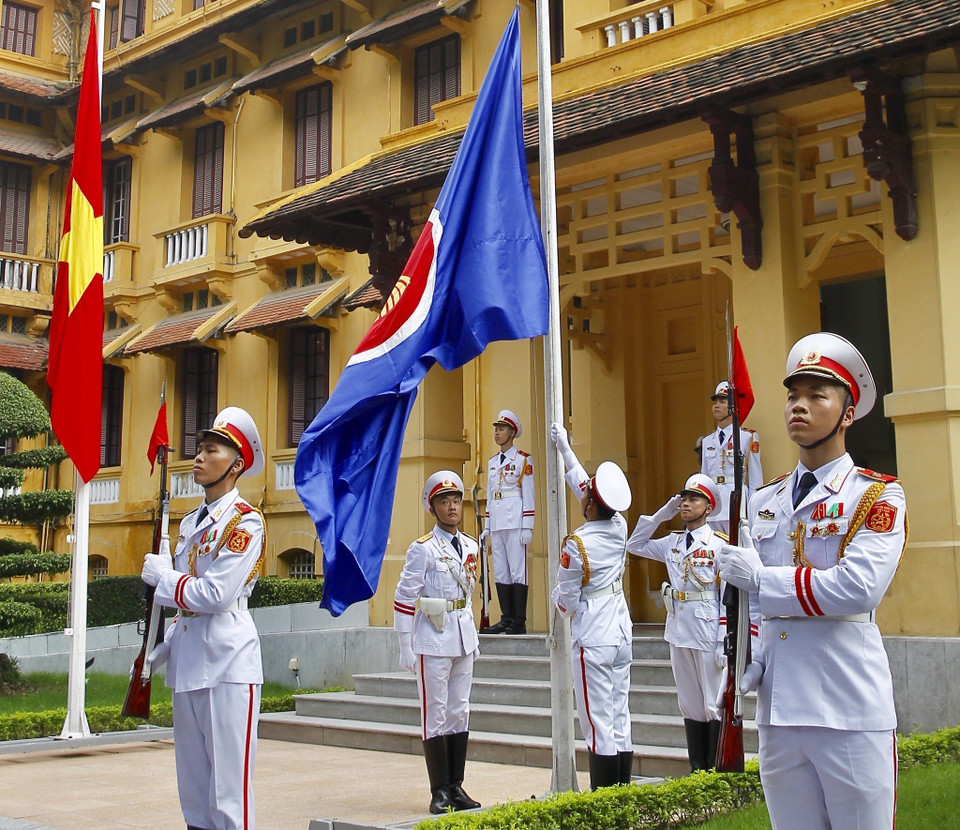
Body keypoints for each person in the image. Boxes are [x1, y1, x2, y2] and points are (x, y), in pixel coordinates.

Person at [718, 332, 907, 830]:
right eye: (792, 396)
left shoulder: (876, 497)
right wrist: (747, 660)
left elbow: (857, 588)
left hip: (847, 707)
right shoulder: (764, 501)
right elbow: (752, 607)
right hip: (780, 710)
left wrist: (763, 580)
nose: (798, 407)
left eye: (816, 395)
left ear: (846, 414)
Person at [140, 407, 266, 830]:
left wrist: (165, 578)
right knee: (194, 794)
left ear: (236, 465)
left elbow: (215, 594)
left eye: (211, 450)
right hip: (189, 661)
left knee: (229, 797)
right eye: (199, 449)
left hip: (229, 663)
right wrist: (163, 646)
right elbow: (186, 607)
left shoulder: (246, 521)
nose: (198, 457)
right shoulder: (192, 521)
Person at [627, 473, 734, 772]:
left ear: (709, 507)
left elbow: (727, 596)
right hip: (678, 629)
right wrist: (664, 512)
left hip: (707, 629)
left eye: (694, 499)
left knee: (712, 702)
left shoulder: (719, 545)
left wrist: (722, 640)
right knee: (688, 700)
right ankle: (697, 768)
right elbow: (634, 544)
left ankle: (717, 770)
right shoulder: (671, 542)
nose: (686, 504)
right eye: (684, 498)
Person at [550, 423, 634, 789]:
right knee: (619, 717)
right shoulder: (619, 525)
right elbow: (586, 488)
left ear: (589, 505)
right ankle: (622, 795)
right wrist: (566, 449)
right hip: (619, 629)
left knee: (597, 723)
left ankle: (604, 801)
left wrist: (561, 607)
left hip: (593, 634)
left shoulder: (577, 544)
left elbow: (566, 600)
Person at [394, 471, 482, 814]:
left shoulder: (472, 546)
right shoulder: (423, 550)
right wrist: (405, 643)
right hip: (432, 638)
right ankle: (439, 791)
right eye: (444, 501)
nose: (452, 507)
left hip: (462, 636)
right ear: (433, 507)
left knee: (460, 712)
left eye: (456, 500)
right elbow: (404, 597)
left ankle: (456, 786)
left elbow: (470, 594)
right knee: (436, 714)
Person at [480, 409, 535, 634]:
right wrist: (487, 526)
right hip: (498, 522)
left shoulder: (522, 459)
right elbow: (492, 495)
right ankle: (506, 617)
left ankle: (519, 620)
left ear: (512, 433)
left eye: (501, 429)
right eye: (495, 429)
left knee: (517, 570)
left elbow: (528, 493)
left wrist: (527, 526)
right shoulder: (493, 462)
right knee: (501, 570)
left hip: (515, 521)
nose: (497, 433)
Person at [700, 382, 762, 534]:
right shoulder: (707, 441)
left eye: (722, 401)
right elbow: (705, 477)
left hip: (737, 500)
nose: (716, 405)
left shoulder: (747, 437)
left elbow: (755, 479)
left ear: (733, 406)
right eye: (715, 401)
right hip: (713, 505)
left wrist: (754, 508)